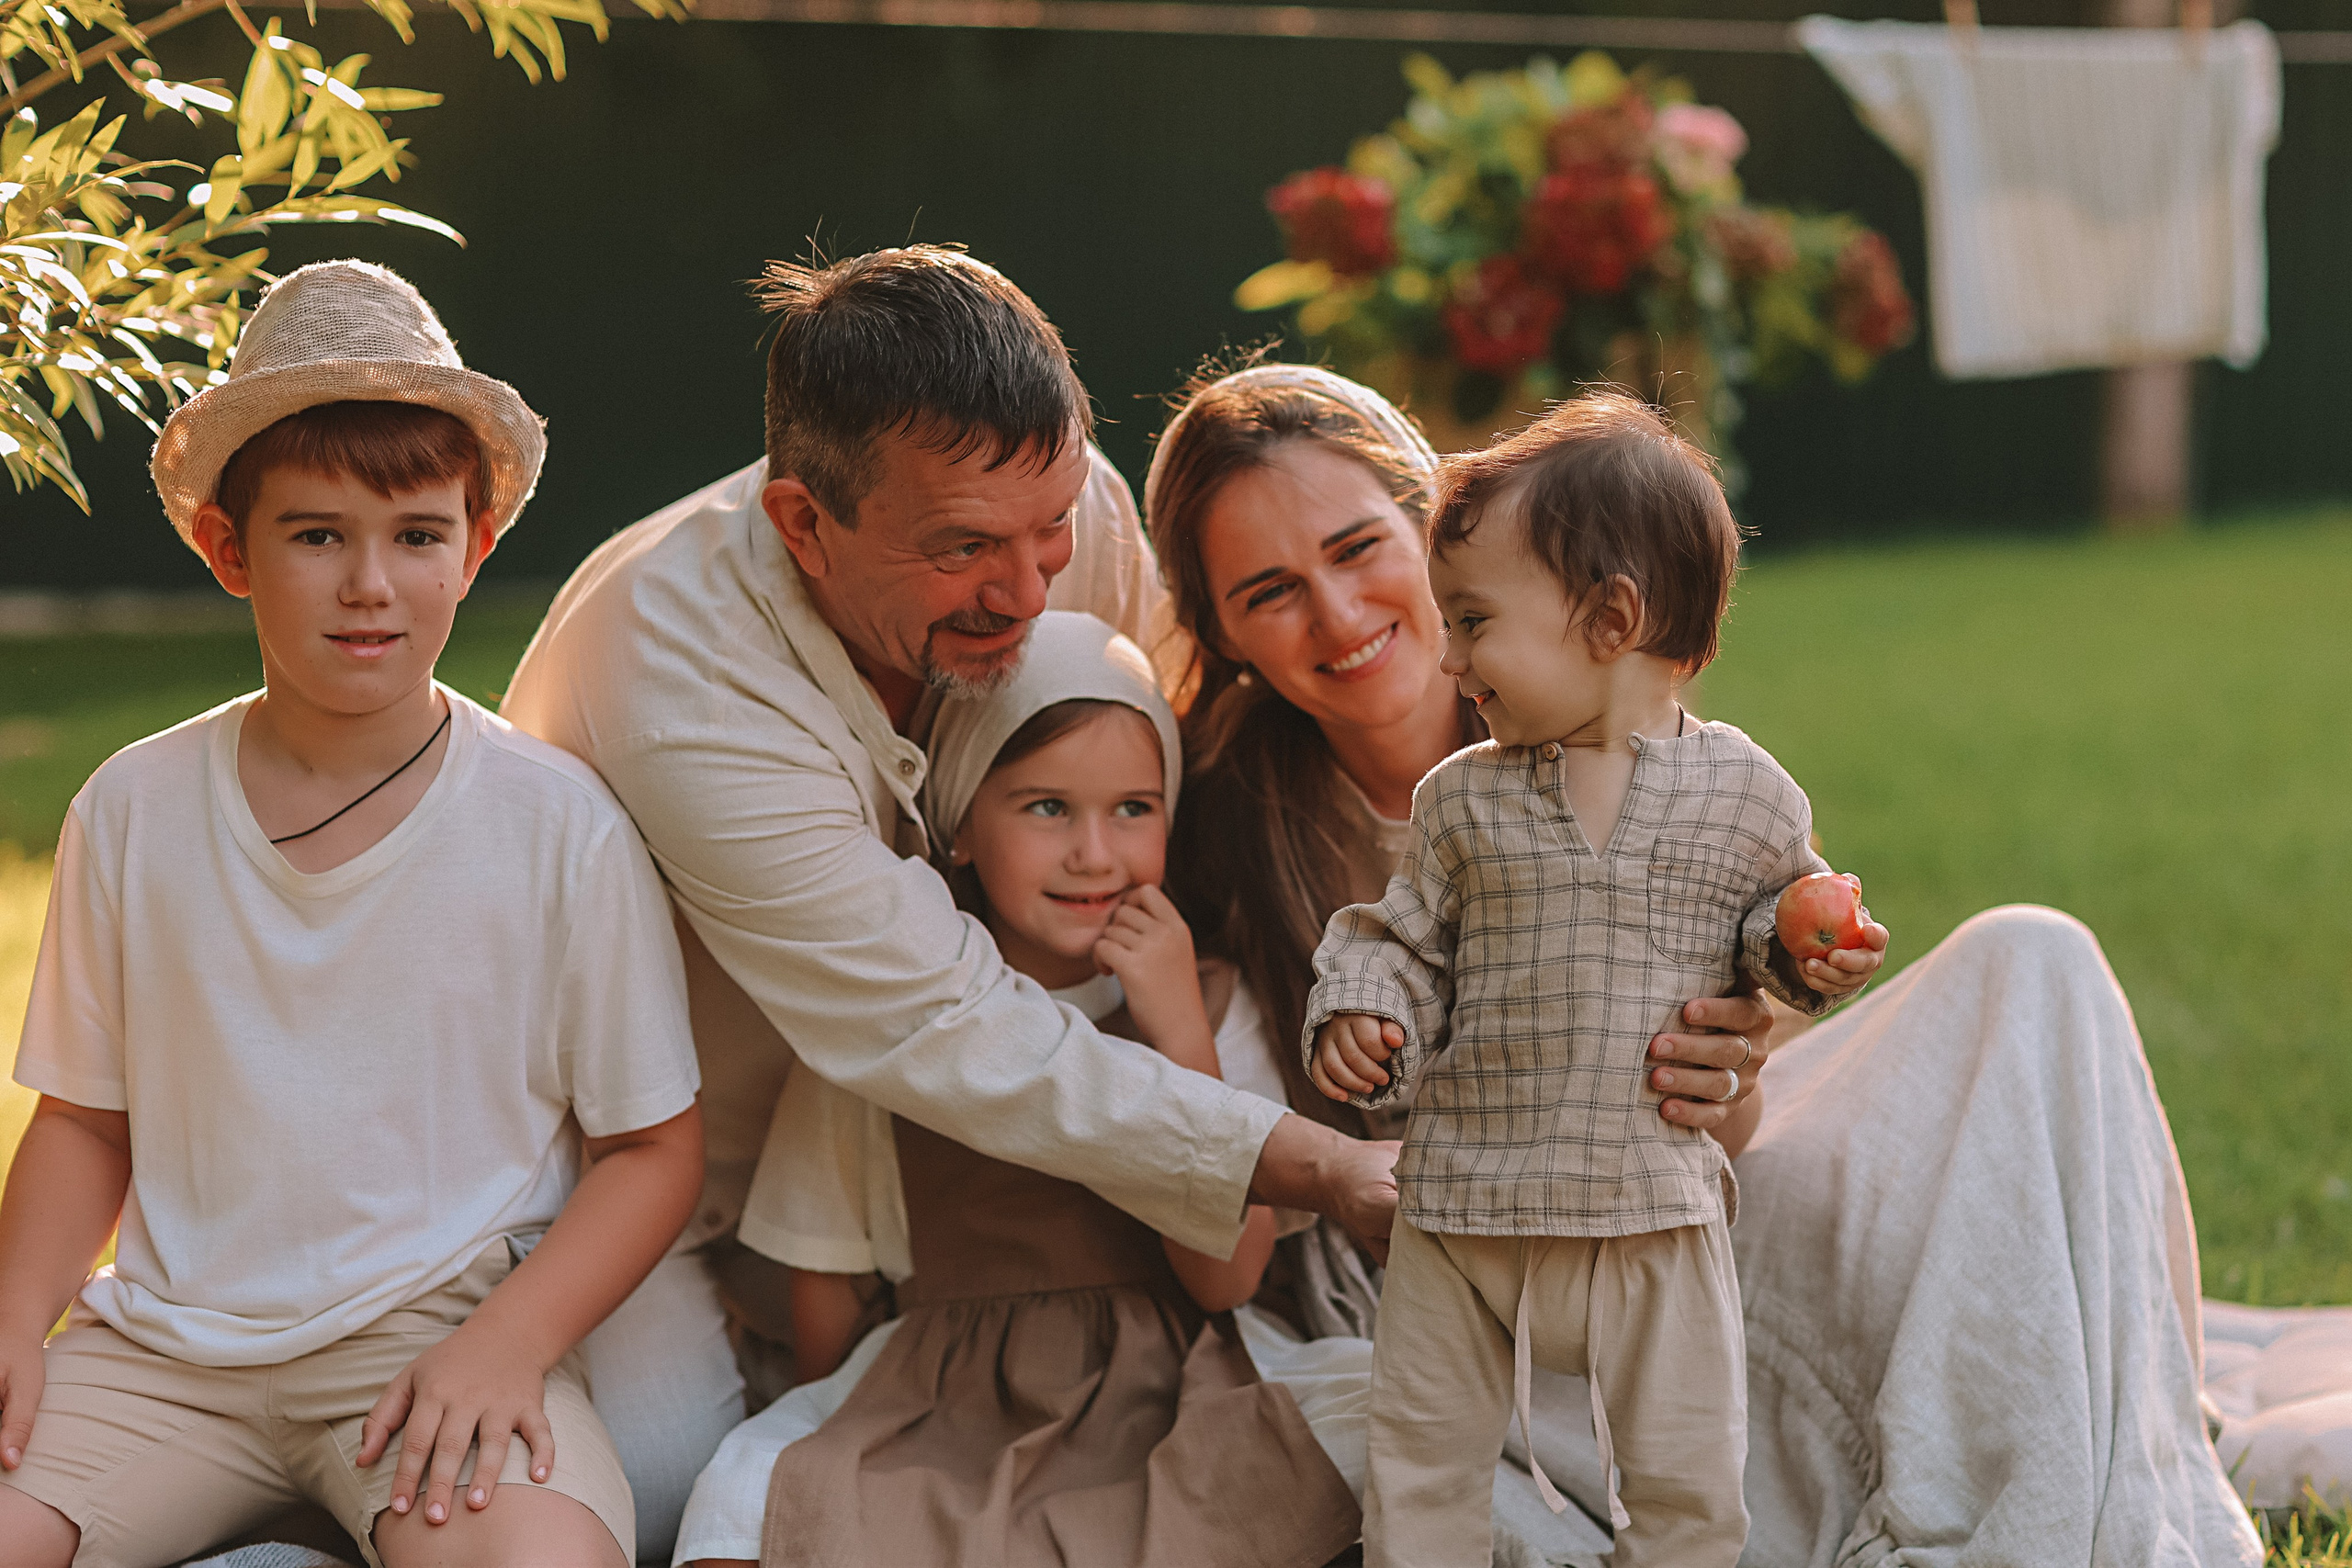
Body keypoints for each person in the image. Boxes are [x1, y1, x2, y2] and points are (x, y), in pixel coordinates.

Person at [1147, 361, 2264, 1566]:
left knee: (2034, 958)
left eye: (1360, 546)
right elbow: (1241, 1219)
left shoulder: (1625, 730)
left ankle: (2025, 1506)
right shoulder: (1224, 840)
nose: (1337, 611)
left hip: (1694, 1204)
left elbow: (1742, 1073)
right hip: (1511, 1306)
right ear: (1224, 634)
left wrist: (1741, 1042)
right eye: (1270, 591)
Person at [497, 247, 1397, 1560]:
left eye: (1051, 536)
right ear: (804, 523)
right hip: (633, 1178)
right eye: (966, 549)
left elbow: (1159, 766)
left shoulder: (1063, 507)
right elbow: (953, 1025)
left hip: (980, 1202)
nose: (1031, 595)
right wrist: (1312, 1161)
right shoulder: (676, 674)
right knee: (658, 1486)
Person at [0, 261, 707, 1568]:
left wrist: (506, 1345)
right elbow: (89, 1120)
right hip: (167, 1352)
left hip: (433, 1344)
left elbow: (653, 1150)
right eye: (317, 534)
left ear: (475, 544)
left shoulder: (558, 825)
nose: (369, 581)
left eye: (417, 535)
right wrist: (8, 1319)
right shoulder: (134, 808)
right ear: (229, 548)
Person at [1303, 395, 1886, 1567]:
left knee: (1686, 1487)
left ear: (1611, 618)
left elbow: (1776, 933)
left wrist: (1808, 948)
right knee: (1418, 1464)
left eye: (1471, 621)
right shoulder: (1459, 799)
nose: (1450, 658)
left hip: (1650, 1216)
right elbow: (1396, 935)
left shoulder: (1750, 797)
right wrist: (1363, 1005)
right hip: (1464, 1206)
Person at [672, 612, 1360, 1567]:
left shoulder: (1208, 1001)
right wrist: (840, 1444)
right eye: (1045, 808)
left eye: (1133, 808)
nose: (1093, 853)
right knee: (745, 1499)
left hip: (1178, 1377)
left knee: (1382, 1422)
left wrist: (1176, 1036)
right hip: (941, 1382)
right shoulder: (894, 1017)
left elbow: (1226, 1277)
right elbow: (826, 1281)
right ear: (960, 826)